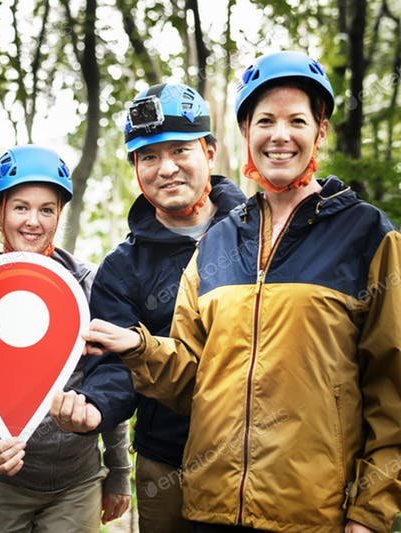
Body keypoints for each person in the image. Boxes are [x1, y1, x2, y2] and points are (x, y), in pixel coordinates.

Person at [67, 51, 401, 532]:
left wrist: (370, 512)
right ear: (247, 134)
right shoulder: (220, 242)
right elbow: (193, 378)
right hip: (209, 508)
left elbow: (391, 390)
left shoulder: (367, 234)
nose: (280, 135)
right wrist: (138, 347)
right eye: (265, 120)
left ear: (320, 131)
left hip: (310, 514)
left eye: (296, 120)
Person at [51, 83, 246, 533]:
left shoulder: (258, 232)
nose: (167, 169)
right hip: (167, 462)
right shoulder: (122, 269)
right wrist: (95, 405)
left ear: (210, 151)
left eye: (180, 150)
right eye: (149, 157)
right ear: (135, 167)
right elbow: (115, 365)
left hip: (260, 456)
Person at [0, 145, 132, 532]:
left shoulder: (86, 287)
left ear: (59, 214)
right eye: (21, 207)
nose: (33, 221)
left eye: (46, 209)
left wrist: (118, 471)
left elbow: (107, 381)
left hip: (76, 481)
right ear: (0, 211)